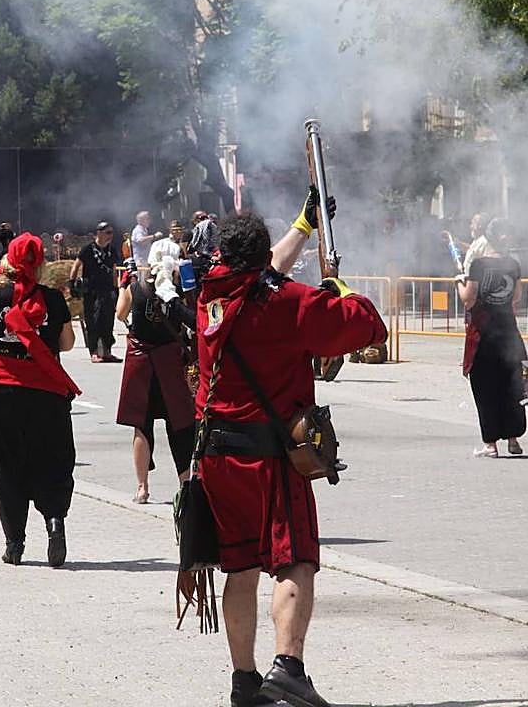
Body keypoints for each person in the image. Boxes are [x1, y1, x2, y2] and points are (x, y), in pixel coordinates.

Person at [195, 196, 388, 707]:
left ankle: (244, 683)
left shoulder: (212, 292)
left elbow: (267, 272)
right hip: (270, 457)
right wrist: (340, 288)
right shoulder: (286, 302)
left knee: (239, 568)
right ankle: (289, 668)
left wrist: (304, 225)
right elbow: (366, 327)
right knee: (295, 561)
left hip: (216, 455)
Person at [0, 234, 79, 566]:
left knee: (4, 462)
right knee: (51, 459)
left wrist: (1, 274)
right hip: (45, 392)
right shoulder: (54, 300)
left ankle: (14, 543)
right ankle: (55, 523)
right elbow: (68, 344)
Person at [115, 238, 195, 503]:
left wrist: (121, 288)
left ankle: (142, 487)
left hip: (141, 360)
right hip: (169, 359)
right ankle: (185, 484)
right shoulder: (181, 288)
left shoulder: (135, 284)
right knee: (180, 424)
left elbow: (120, 313)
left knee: (141, 426)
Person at [456, 218, 527, 457]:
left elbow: (469, 299)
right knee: (511, 386)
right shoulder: (514, 265)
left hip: (483, 335)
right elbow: (516, 297)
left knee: (486, 389)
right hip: (508, 333)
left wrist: (459, 283)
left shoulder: (478, 264)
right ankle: (513, 439)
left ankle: (490, 444)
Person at [70, 222, 120, 363]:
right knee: (93, 321)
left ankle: (107, 352)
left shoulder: (112, 250)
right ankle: (94, 352)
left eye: (111, 232)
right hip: (91, 291)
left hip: (107, 290)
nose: (110, 236)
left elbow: (114, 271)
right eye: (107, 232)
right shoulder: (88, 249)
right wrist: (72, 284)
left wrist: (116, 289)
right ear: (99, 233)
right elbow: (76, 265)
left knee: (108, 321)